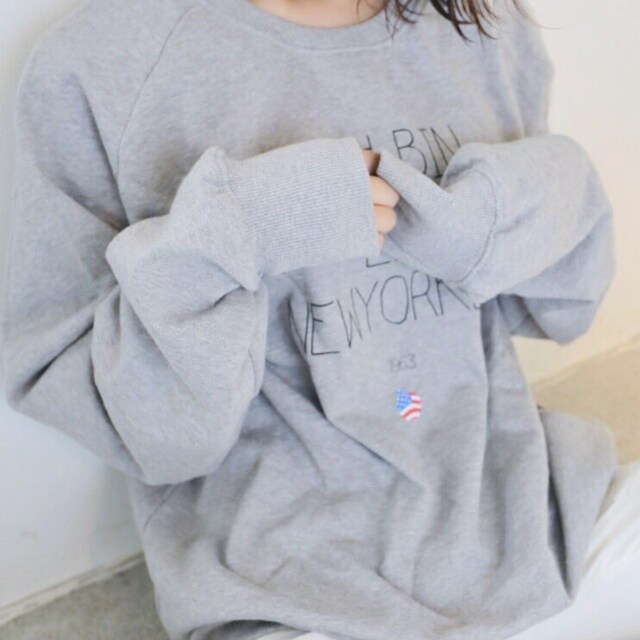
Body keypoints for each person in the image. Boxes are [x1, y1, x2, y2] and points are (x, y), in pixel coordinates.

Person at [2, 0, 638, 638]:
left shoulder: (484, 27)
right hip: (290, 595)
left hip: (546, 527)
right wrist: (237, 232)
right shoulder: (98, 66)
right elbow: (148, 436)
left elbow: (566, 302)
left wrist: (493, 217)